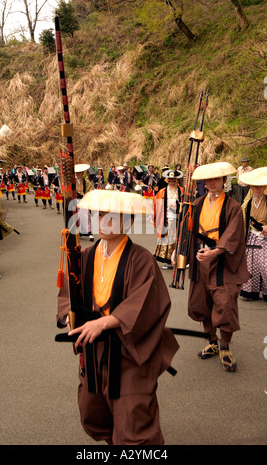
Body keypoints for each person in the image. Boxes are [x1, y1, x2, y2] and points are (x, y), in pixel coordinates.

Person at [65, 189, 179, 445]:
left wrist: (107, 321)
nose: (104, 221)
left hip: (127, 349)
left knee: (133, 420)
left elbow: (147, 300)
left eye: (113, 216)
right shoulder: (84, 256)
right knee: (93, 412)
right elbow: (69, 295)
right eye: (101, 214)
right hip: (94, 350)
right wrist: (68, 317)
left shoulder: (142, 259)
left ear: (127, 222)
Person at [186, 162, 249, 372]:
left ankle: (224, 346)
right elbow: (188, 232)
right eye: (208, 180)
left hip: (221, 260)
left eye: (216, 179)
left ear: (224, 180)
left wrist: (216, 251)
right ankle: (212, 341)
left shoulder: (232, 206)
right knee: (202, 302)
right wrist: (185, 256)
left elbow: (234, 233)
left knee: (225, 302)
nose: (212, 183)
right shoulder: (196, 203)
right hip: (200, 258)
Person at [239, 168, 267, 303]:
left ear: (264, 187)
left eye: (260, 186)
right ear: (251, 187)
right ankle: (250, 292)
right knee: (250, 265)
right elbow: (241, 222)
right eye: (255, 186)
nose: (258, 189)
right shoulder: (246, 204)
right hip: (251, 237)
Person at [154, 169, 183, 269]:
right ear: (167, 180)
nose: (172, 182)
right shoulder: (162, 191)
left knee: (179, 238)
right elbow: (156, 204)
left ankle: (181, 260)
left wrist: (180, 206)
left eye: (174, 180)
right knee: (168, 239)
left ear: (176, 180)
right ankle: (168, 260)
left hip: (178, 217)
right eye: (170, 180)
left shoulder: (181, 190)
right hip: (167, 217)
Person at [75, 164, 94, 240]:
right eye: (77, 173)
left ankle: (89, 233)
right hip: (76, 200)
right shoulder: (74, 182)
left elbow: (90, 191)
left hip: (84, 200)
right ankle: (79, 232)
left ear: (83, 173)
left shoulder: (87, 182)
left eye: (80, 172)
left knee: (87, 216)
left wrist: (85, 195)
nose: (78, 174)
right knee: (77, 217)